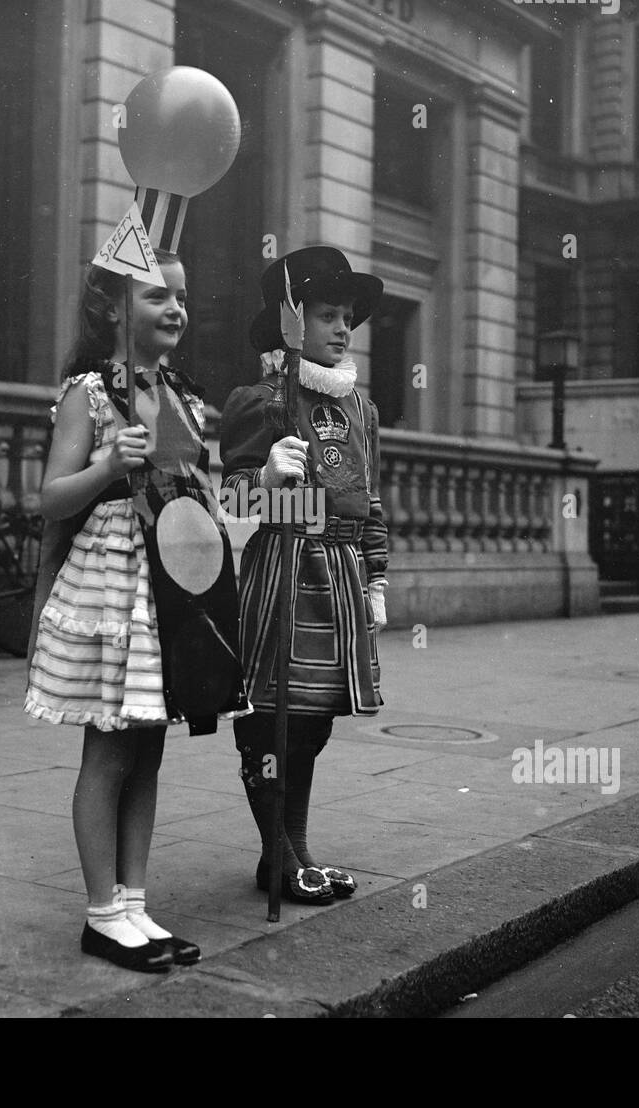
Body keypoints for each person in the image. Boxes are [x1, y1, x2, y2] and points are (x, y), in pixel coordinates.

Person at [25, 251, 241, 971]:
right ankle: (100, 914)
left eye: (182, 296)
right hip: (112, 586)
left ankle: (135, 905)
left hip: (169, 588)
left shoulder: (179, 394)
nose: (177, 308)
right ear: (114, 308)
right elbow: (51, 498)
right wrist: (107, 467)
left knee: (148, 749)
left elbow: (198, 494)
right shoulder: (86, 394)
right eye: (158, 295)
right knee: (110, 749)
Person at [219, 246, 389, 904]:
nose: (342, 328)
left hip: (340, 575)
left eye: (347, 316)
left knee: (313, 721)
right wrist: (266, 480)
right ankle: (278, 854)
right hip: (286, 571)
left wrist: (376, 576)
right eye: (326, 315)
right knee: (271, 720)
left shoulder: (362, 412)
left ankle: (294, 848)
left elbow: (370, 501)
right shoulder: (262, 403)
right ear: (294, 322)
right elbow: (233, 504)